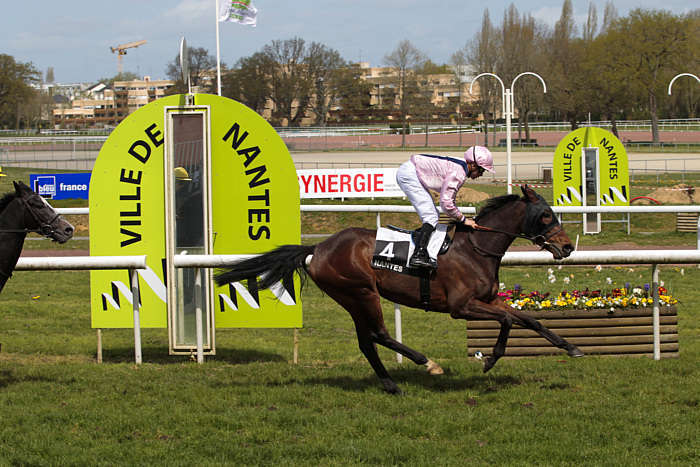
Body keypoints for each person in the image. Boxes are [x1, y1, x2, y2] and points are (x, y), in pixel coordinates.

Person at [396, 146, 495, 269]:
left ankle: (422, 249)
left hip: (412, 171)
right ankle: (418, 255)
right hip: (410, 175)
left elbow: (447, 200)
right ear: (473, 165)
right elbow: (446, 204)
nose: (481, 174)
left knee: (433, 215)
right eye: (481, 170)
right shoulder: (459, 173)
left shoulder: (461, 167)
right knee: (431, 216)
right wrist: (464, 220)